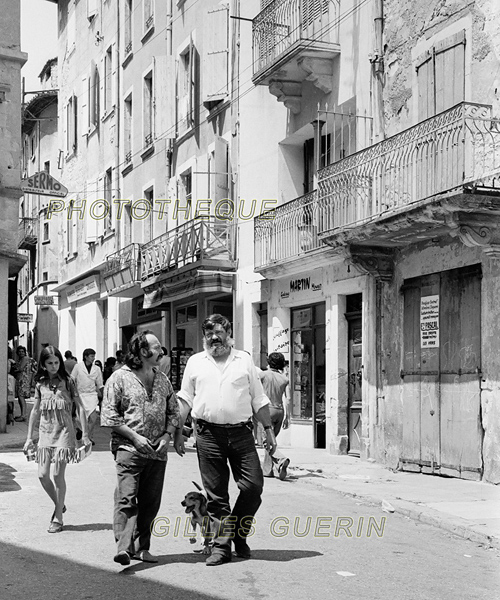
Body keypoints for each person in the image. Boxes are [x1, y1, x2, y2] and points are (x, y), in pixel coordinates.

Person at [177, 314, 277, 566]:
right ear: (204, 337)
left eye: (219, 332)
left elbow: (258, 398)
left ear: (229, 333)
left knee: (253, 487)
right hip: (208, 435)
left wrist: (268, 429)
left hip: (241, 434)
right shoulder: (195, 362)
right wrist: (177, 430)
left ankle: (237, 534)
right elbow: (185, 399)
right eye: (209, 334)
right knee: (217, 496)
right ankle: (221, 548)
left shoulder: (243, 360)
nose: (214, 338)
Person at [101, 330, 183, 566]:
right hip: (129, 448)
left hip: (157, 452)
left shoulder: (162, 378)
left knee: (150, 503)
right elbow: (109, 415)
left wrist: (168, 436)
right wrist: (134, 437)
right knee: (127, 499)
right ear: (142, 351)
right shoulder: (119, 378)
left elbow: (174, 410)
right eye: (157, 347)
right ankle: (124, 548)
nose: (161, 351)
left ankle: (142, 547)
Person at [23, 345, 90, 533]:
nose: (54, 366)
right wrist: (29, 438)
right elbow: (35, 411)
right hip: (45, 433)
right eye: (50, 363)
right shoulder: (40, 384)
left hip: (64, 433)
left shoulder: (68, 381)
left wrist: (84, 434)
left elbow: (81, 408)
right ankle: (59, 504)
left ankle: (58, 517)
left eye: (56, 362)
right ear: (43, 365)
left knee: (57, 475)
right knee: (42, 475)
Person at [259, 352, 291, 480]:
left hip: (266, 410)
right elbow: (288, 399)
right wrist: (288, 416)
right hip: (279, 411)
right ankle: (267, 470)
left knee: (267, 441)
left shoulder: (262, 375)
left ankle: (281, 459)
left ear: (268, 362)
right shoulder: (284, 379)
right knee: (272, 440)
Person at [71, 348, 103, 444]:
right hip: (80, 395)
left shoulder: (97, 369)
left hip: (92, 395)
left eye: (94, 356)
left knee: (93, 418)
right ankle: (82, 432)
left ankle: (89, 437)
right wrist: (73, 393)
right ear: (86, 357)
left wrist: (104, 396)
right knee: (80, 418)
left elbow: (100, 384)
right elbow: (72, 380)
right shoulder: (78, 367)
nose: (93, 358)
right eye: (92, 356)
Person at [14, 346, 36, 421]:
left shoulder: (25, 359)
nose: (21, 353)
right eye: (19, 351)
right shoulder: (22, 359)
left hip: (24, 380)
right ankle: (22, 414)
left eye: (22, 351)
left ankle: (23, 415)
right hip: (21, 379)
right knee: (20, 398)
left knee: (21, 397)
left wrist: (14, 370)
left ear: (25, 352)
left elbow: (20, 369)